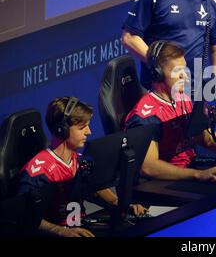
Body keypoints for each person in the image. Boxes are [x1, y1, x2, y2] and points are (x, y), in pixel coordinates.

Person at [125, 41, 216, 183]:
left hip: (190, 171)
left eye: (185, 70)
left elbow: (204, 138)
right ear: (157, 74)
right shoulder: (146, 116)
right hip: (165, 183)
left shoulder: (183, 99)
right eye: (178, 72)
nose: (186, 77)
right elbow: (149, 168)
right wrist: (198, 175)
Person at [17, 97, 146, 237]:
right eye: (82, 127)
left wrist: (122, 205)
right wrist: (59, 231)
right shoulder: (38, 171)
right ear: (62, 130)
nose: (88, 132)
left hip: (80, 227)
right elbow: (23, 217)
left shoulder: (79, 161)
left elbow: (95, 189)